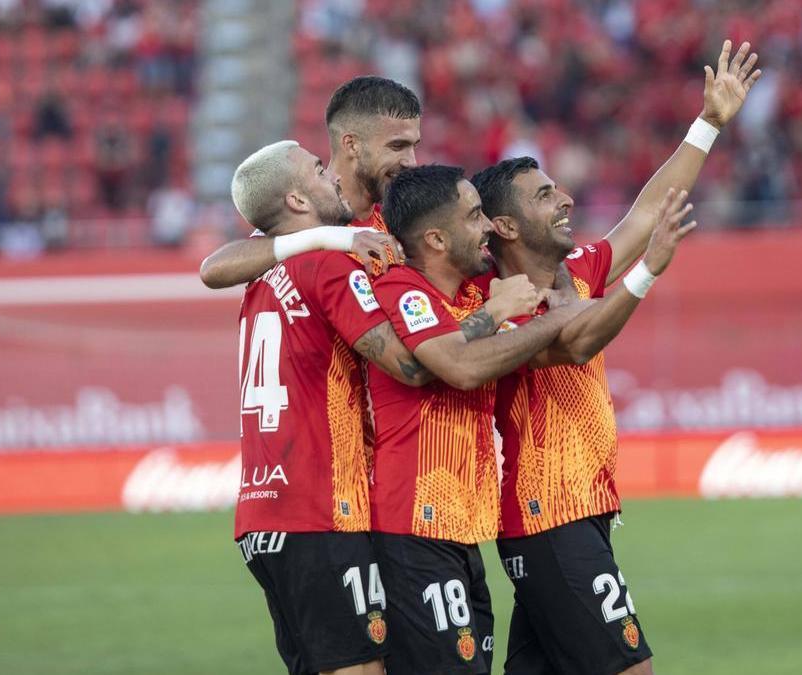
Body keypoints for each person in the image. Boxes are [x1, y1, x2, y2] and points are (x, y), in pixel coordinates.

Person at [470, 39, 760, 675]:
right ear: (508, 227)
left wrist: (708, 123)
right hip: (550, 513)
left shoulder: (578, 270)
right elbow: (577, 342)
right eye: (544, 195)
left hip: (582, 510)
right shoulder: (500, 301)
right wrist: (648, 272)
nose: (565, 199)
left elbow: (649, 209)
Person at [364, 164, 588, 674]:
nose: (487, 225)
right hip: (415, 524)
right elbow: (460, 368)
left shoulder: (471, 293)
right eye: (473, 217)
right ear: (437, 238)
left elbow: (543, 351)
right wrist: (545, 314)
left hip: (463, 528)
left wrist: (573, 301)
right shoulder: (405, 287)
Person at [230, 139, 421, 675]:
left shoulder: (260, 269)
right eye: (317, 169)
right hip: (321, 509)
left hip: (262, 516)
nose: (331, 174)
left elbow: (211, 267)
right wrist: (481, 322)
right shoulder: (329, 267)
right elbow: (410, 367)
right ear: (295, 200)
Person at [200, 76, 419, 289]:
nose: (412, 162)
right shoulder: (309, 217)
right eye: (397, 146)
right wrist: (327, 238)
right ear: (352, 145)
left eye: (414, 146)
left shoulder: (402, 219)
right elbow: (213, 269)